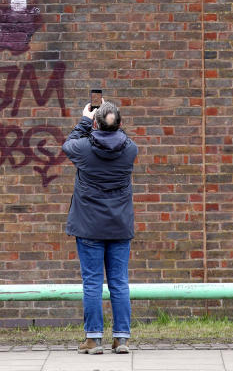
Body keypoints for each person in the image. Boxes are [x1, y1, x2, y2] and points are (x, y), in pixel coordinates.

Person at [62, 99, 138, 355]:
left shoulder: (83, 148)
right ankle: (122, 339)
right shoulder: (130, 150)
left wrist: (85, 120)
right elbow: (121, 137)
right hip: (119, 226)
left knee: (92, 283)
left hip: (89, 227)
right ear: (119, 124)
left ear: (95, 123)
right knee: (119, 282)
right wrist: (107, 118)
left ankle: (93, 339)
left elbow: (67, 145)